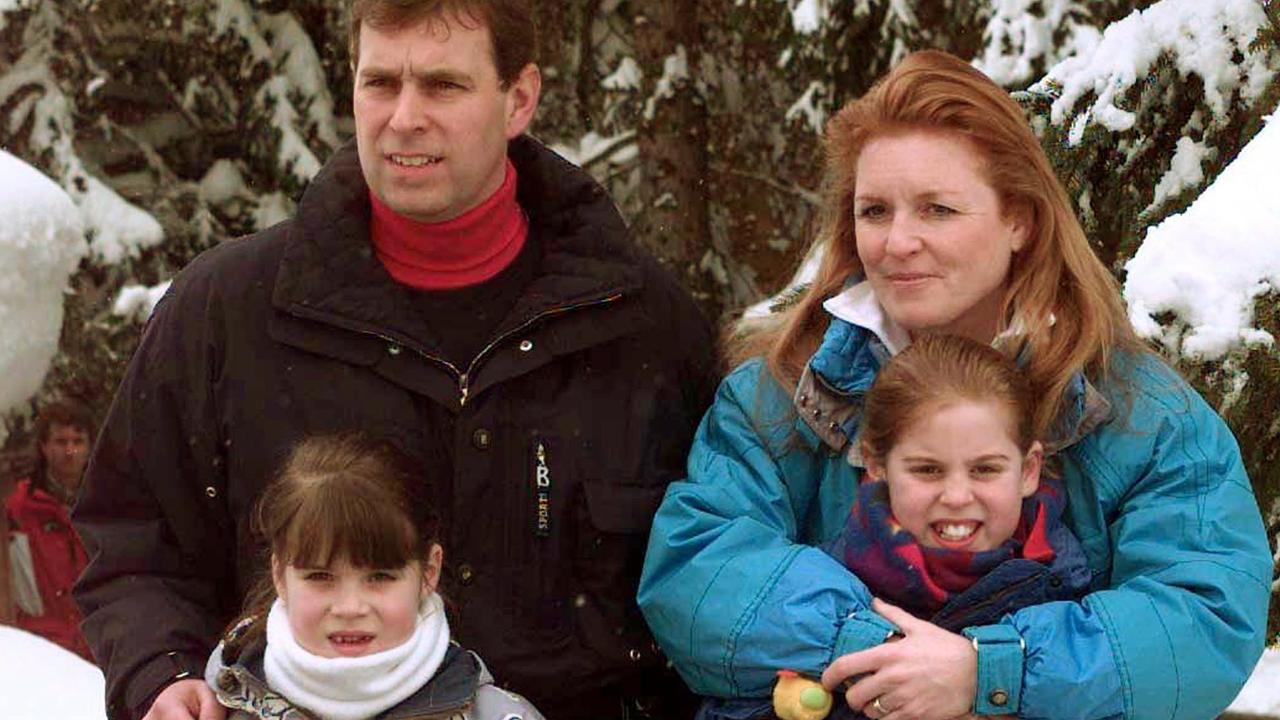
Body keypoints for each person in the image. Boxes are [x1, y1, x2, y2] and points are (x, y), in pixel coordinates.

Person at [73, 2, 716, 719]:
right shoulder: (228, 313)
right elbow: (133, 544)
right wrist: (161, 671)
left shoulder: (641, 324)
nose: (404, 117)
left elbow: (716, 579)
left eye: (443, 86)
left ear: (520, 99)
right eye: (381, 83)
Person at [638, 49, 1271, 720]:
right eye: (875, 211)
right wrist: (884, 651)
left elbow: (1204, 618)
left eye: (937, 210)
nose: (897, 242)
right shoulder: (777, 393)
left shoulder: (1141, 414)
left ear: (1020, 220)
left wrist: (989, 671)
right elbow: (698, 572)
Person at [697, 335, 1092, 720]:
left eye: (985, 469)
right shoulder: (827, 584)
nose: (956, 496)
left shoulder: (1065, 598)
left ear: (1028, 470)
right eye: (927, 470)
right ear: (876, 464)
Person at [203, 433, 545, 720]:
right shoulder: (220, 701)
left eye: (379, 576)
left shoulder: (492, 714)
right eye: (320, 576)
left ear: (429, 572)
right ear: (280, 574)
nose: (350, 608)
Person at [4, 399, 94, 661]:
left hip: (95, 653)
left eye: (77, 442)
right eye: (60, 441)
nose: (70, 450)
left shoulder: (104, 507)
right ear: (43, 446)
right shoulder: (16, 509)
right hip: (40, 652)